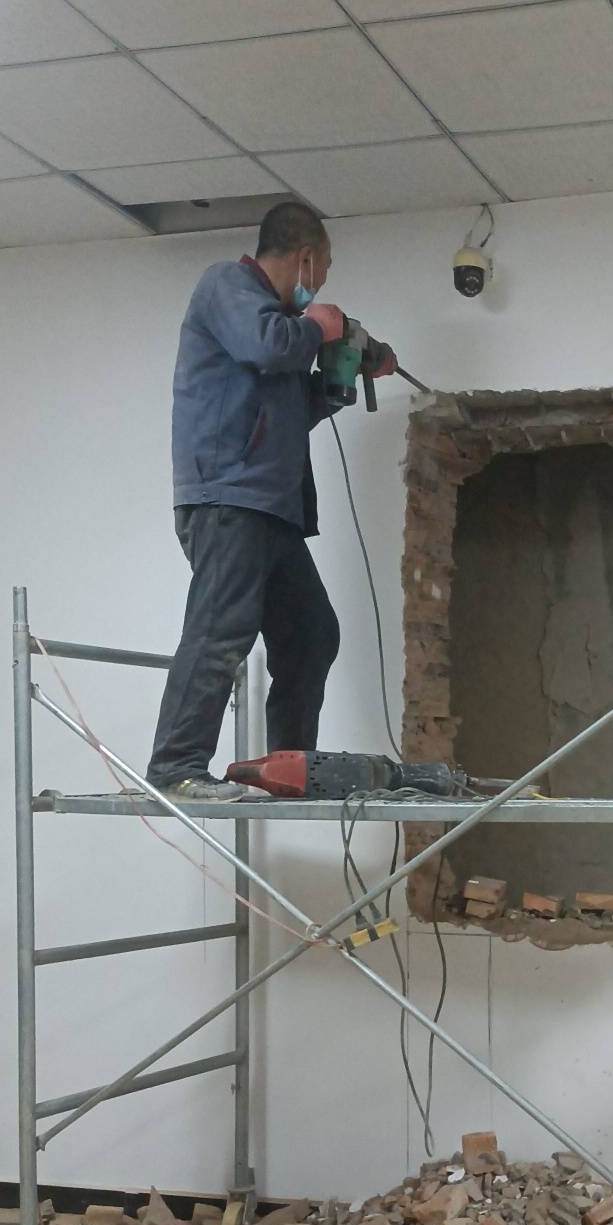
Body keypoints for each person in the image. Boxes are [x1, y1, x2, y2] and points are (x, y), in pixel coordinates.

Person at [146, 198, 395, 800]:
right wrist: (320, 327)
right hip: (228, 500)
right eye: (324, 270)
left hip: (272, 510)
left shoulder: (281, 329)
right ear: (305, 257)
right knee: (221, 629)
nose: (322, 285)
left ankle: (292, 770)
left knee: (311, 633)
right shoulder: (227, 287)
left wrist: (338, 381)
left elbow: (284, 410)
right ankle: (175, 768)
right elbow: (267, 345)